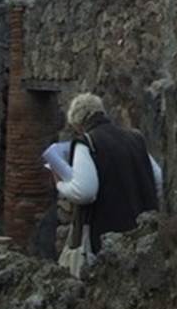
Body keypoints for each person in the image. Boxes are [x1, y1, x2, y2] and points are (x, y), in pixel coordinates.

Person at [54, 93, 162, 259]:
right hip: (143, 232)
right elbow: (158, 180)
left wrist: (61, 184)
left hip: (107, 236)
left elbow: (85, 192)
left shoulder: (87, 142)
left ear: (79, 124)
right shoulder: (135, 137)